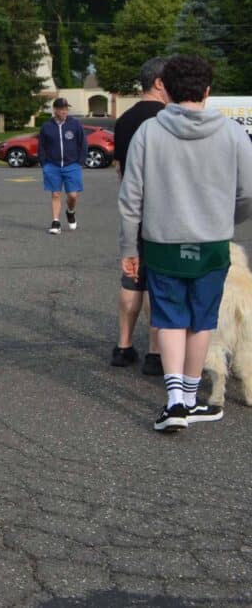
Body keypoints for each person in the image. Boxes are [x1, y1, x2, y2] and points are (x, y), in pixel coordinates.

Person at [119, 55, 252, 432]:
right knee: (202, 320)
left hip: (162, 242)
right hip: (212, 242)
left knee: (170, 319)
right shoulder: (232, 133)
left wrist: (129, 249)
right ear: (207, 91)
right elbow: (248, 192)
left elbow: (131, 198)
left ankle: (175, 400)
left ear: (168, 89)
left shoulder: (149, 132)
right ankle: (193, 400)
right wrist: (227, 220)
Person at [111, 57, 170, 373]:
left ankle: (123, 346)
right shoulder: (167, 119)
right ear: (159, 83)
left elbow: (121, 170)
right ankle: (155, 353)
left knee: (132, 278)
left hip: (132, 207)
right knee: (156, 282)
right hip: (162, 211)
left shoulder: (124, 119)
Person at [39, 98, 86, 234]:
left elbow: (83, 143)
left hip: (72, 165)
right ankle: (56, 222)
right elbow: (42, 146)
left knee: (72, 195)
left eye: (66, 109)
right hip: (52, 165)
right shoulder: (46, 126)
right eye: (62, 109)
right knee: (56, 193)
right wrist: (44, 163)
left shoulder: (75, 124)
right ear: (55, 110)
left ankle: (70, 211)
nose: (65, 111)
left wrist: (80, 161)